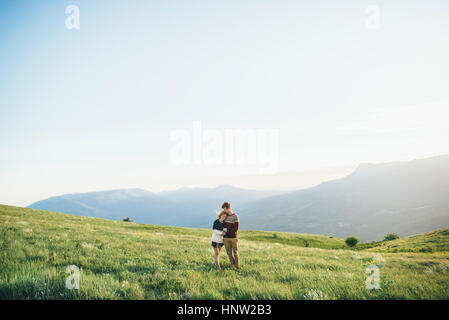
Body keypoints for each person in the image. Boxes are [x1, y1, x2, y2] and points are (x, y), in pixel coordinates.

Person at [222, 201, 240, 269]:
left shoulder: (235, 216)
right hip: (226, 238)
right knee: (228, 253)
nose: (224, 210)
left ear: (227, 208)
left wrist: (228, 233)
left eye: (224, 209)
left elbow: (236, 228)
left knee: (235, 252)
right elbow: (223, 226)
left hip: (233, 238)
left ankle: (237, 266)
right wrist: (224, 233)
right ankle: (232, 265)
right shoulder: (225, 216)